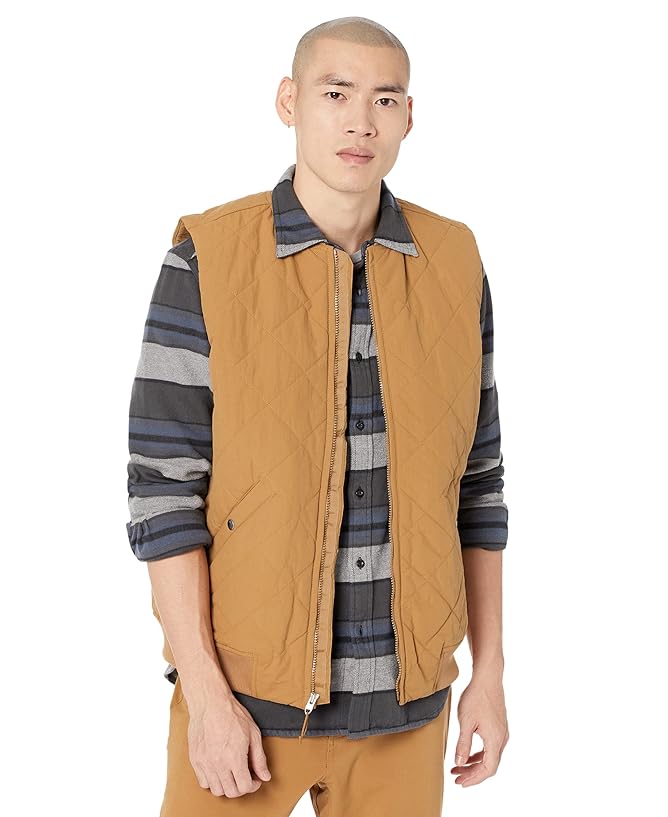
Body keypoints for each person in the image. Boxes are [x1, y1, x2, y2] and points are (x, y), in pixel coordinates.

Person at [125, 15, 509, 817]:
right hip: (243, 712)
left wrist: (490, 673)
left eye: (385, 99)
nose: (361, 121)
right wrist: (206, 696)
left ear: (409, 116)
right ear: (289, 101)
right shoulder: (207, 257)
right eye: (336, 94)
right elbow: (163, 493)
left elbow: (478, 483)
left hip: (410, 712)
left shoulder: (455, 260)